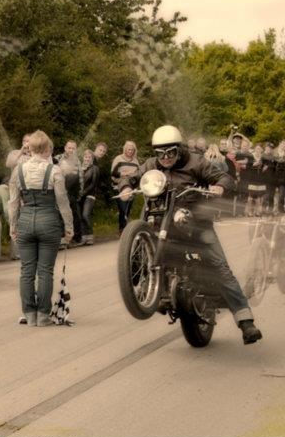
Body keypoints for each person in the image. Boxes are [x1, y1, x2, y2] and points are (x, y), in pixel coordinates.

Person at [118, 125, 262, 345]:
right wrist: (126, 186)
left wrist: (220, 187)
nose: (165, 158)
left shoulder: (196, 162)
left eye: (170, 152)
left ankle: (246, 321)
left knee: (219, 265)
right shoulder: (150, 165)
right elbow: (133, 176)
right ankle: (147, 289)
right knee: (136, 248)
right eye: (160, 153)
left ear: (178, 149)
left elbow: (224, 178)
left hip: (195, 224)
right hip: (160, 221)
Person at [9, 131, 73, 327]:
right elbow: (63, 202)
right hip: (48, 221)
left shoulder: (17, 171)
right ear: (47, 149)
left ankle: (29, 314)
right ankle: (43, 315)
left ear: (29, 148)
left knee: (26, 271)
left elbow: (13, 203)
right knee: (45, 271)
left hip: (26, 220)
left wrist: (13, 226)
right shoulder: (54, 171)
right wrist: (69, 227)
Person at [55, 140, 82, 245]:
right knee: (60, 215)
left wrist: (80, 193)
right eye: (69, 148)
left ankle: (75, 239)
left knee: (74, 215)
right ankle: (62, 239)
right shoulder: (58, 158)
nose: (71, 150)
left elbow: (81, 178)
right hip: (60, 191)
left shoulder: (77, 161)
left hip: (72, 193)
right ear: (65, 148)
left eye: (73, 148)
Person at [111, 141, 139, 232]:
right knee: (122, 209)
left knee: (127, 209)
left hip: (131, 188)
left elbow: (139, 174)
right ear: (125, 149)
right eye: (128, 149)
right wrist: (124, 173)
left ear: (134, 151)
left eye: (132, 150)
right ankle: (123, 229)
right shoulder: (118, 159)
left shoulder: (135, 161)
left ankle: (123, 229)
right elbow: (113, 173)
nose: (130, 151)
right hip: (119, 187)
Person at [79, 149, 100, 245]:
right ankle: (84, 238)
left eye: (89, 157)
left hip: (90, 195)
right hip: (80, 196)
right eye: (86, 157)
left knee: (85, 215)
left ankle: (90, 236)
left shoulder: (94, 168)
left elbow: (93, 184)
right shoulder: (80, 168)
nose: (87, 159)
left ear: (92, 158)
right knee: (80, 217)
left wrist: (83, 193)